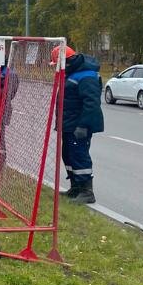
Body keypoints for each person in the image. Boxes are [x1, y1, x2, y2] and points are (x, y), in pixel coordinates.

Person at [52, 45, 104, 204]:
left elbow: (92, 103)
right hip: (69, 124)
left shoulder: (86, 75)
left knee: (79, 156)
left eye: (57, 64)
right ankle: (75, 187)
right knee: (68, 154)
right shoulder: (73, 73)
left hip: (79, 125)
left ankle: (87, 192)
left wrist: (83, 125)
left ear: (65, 61)